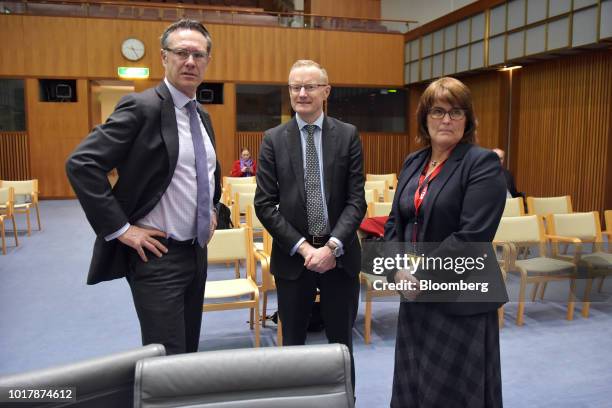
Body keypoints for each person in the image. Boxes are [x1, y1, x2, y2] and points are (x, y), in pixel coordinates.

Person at [65, 19, 221, 355]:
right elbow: (82, 164)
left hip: (196, 253)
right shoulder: (143, 107)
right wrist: (122, 229)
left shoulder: (202, 116)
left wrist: (211, 210)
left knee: (188, 349)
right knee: (167, 357)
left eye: (198, 54)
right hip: (157, 255)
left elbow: (206, 174)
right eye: (182, 52)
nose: (190, 61)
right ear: (164, 58)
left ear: (208, 61)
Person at [384, 77, 507, 407]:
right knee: (414, 385)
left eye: (456, 112)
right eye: (437, 111)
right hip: (414, 298)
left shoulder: (481, 164)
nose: (446, 120)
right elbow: (395, 222)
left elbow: (472, 236)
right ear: (425, 117)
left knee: (451, 393)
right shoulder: (414, 162)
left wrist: (419, 279)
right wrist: (396, 271)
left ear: (468, 119)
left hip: (459, 300)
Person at [254, 60, 366, 389]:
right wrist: (304, 248)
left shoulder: (347, 135)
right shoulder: (274, 139)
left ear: (326, 91)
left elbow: (356, 200)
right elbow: (264, 203)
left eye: (310, 86)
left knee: (341, 347)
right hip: (293, 259)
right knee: (293, 348)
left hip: (340, 256)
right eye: (295, 87)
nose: (302, 93)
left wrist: (331, 246)